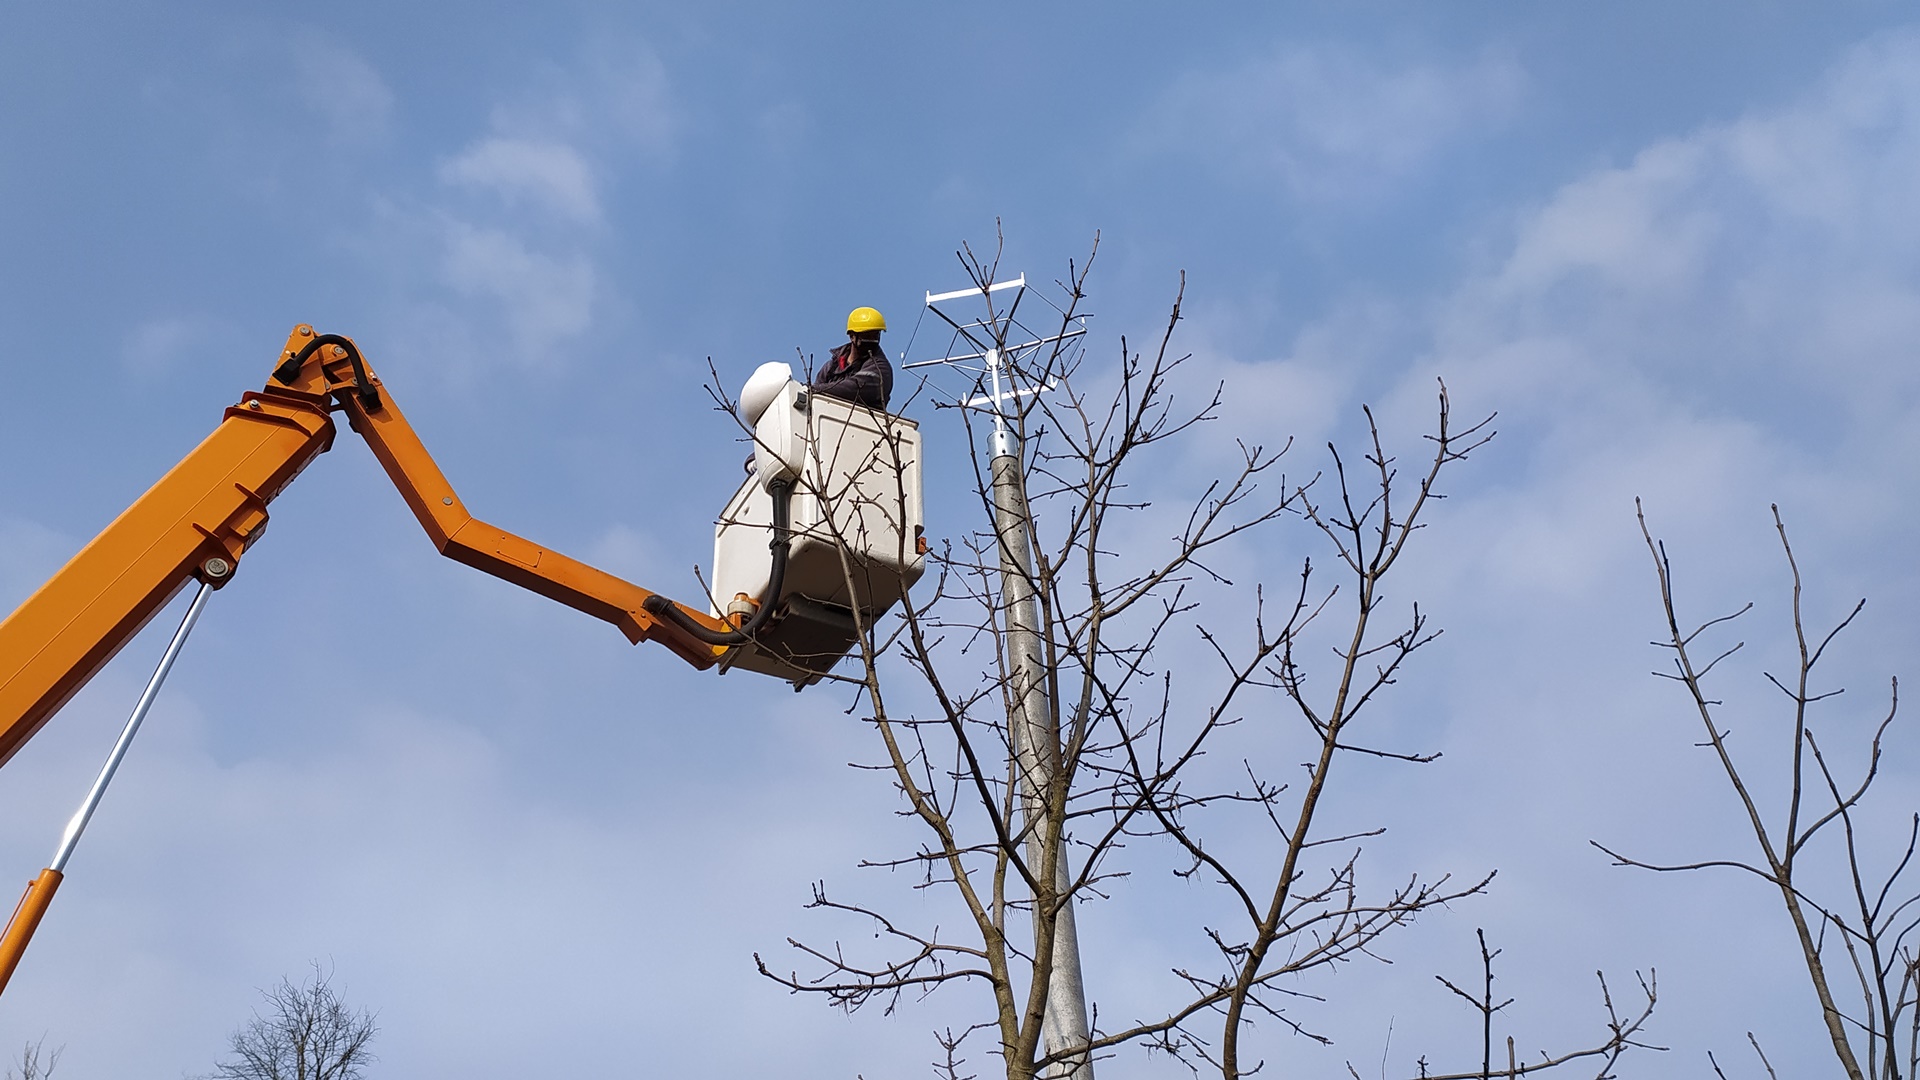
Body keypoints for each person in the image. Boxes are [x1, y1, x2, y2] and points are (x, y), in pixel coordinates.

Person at [811, 306, 893, 411]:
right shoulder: (831, 367)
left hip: (862, 424)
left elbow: (853, 388)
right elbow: (814, 396)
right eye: (867, 335)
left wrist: (814, 389)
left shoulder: (880, 369)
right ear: (852, 336)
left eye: (875, 335)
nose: (872, 340)